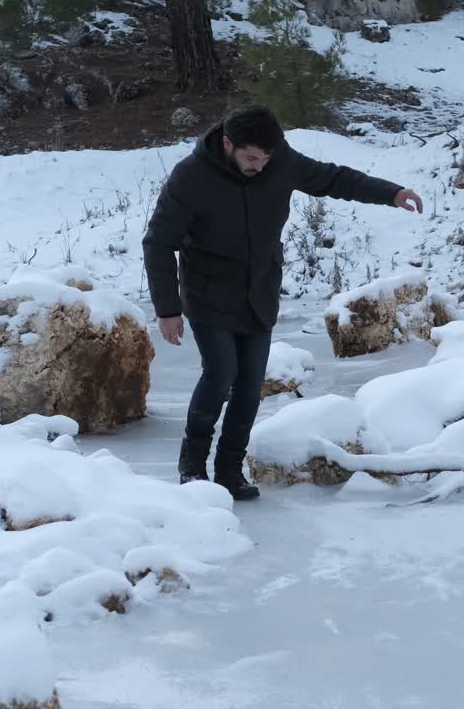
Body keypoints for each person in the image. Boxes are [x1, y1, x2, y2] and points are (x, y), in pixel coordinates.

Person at [142, 106, 423, 501]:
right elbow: (158, 243)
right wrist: (167, 309)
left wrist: (391, 192)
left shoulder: (280, 162)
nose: (260, 166)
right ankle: (192, 466)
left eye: (266, 159)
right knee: (221, 372)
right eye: (252, 159)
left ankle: (229, 471)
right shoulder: (191, 176)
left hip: (258, 292)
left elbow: (332, 179)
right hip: (208, 293)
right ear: (228, 144)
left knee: (249, 385)